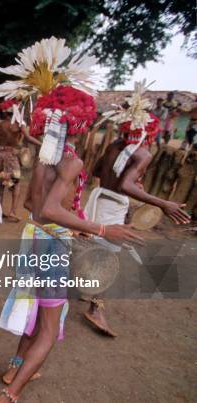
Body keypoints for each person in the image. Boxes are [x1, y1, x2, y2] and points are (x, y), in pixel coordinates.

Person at [0, 39, 143, 402]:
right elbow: (49, 210)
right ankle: (10, 395)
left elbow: (35, 206)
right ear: (79, 124)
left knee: (35, 306)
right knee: (47, 329)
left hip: (34, 237)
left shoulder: (44, 157)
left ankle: (15, 363)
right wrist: (101, 228)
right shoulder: (70, 161)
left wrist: (76, 223)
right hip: (49, 242)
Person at [83, 86, 191, 336]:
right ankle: (95, 308)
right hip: (112, 206)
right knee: (108, 255)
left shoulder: (113, 145)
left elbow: (98, 172)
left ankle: (81, 287)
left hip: (99, 199)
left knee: (92, 245)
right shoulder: (142, 153)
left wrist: (124, 179)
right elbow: (125, 185)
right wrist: (163, 203)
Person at [0, 99, 41, 223]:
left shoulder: (1, 123)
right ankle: (12, 212)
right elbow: (28, 137)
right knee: (16, 184)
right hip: (11, 157)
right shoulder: (18, 125)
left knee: (0, 181)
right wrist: (42, 144)